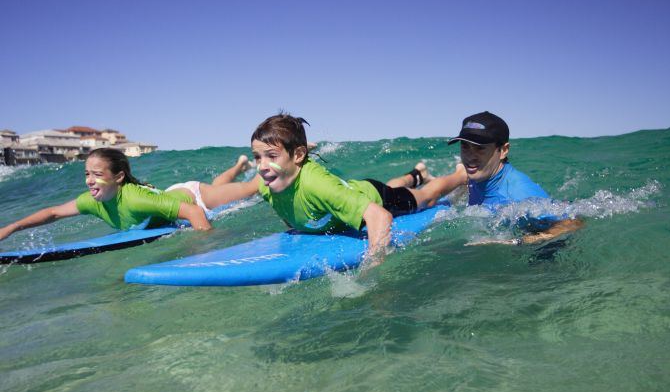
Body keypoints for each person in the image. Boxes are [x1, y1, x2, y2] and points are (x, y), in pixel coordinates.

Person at [251, 113, 465, 263]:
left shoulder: (318, 186)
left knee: (426, 197)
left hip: (379, 199)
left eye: (271, 156)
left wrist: (372, 266)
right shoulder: (267, 184)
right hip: (357, 191)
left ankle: (460, 175)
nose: (262, 167)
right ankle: (417, 175)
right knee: (390, 187)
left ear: (298, 155)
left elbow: (381, 217)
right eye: (257, 157)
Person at [0, 148, 259, 242]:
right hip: (167, 198)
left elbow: (194, 212)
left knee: (252, 189)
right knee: (220, 185)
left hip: (194, 197)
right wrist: (11, 228)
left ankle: (280, 160)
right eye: (87, 174)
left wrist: (207, 244)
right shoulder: (93, 200)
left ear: (118, 177)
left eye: (97, 174)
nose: (90, 180)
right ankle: (239, 166)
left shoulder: (135, 198)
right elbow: (53, 212)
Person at [414, 110, 583, 244]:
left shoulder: (518, 193)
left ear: (503, 150)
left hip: (542, 256)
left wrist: (515, 241)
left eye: (480, 148)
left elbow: (573, 223)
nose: (470, 157)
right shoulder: (479, 173)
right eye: (465, 147)